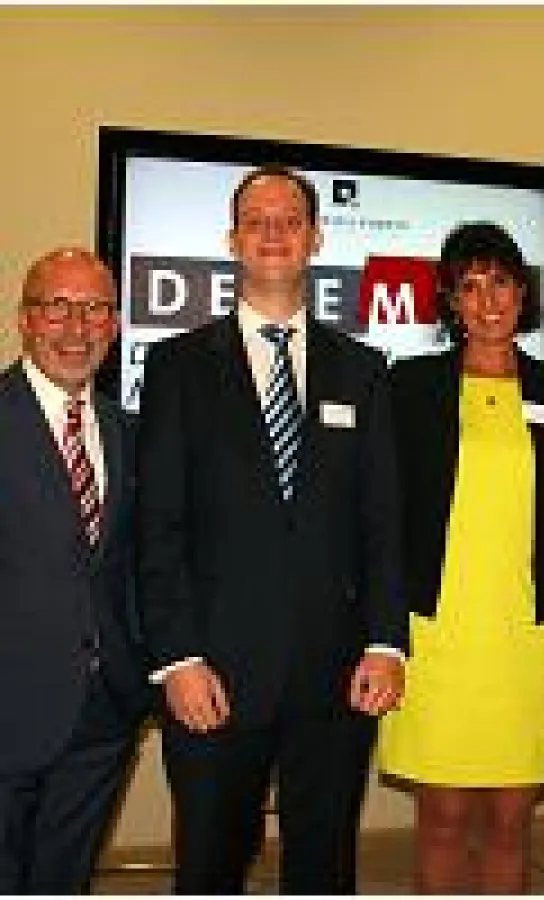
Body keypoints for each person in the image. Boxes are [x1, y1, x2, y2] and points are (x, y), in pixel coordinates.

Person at [135, 165, 408, 894]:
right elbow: (156, 528)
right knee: (210, 870)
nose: (274, 233)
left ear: (315, 238)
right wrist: (177, 659)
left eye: (290, 220)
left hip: (335, 677)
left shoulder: (363, 369)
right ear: (232, 240)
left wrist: (385, 643)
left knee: (324, 871)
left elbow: (383, 523)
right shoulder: (176, 368)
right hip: (213, 676)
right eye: (257, 220)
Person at [377, 221, 544, 894]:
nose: (487, 300)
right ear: (449, 301)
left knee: (509, 821)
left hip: (527, 639)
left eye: (499, 282)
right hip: (434, 637)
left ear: (522, 292)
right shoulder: (409, 385)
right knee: (442, 817)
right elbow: (383, 516)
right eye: (468, 286)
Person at [0, 248, 148, 891]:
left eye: (94, 310)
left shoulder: (127, 430)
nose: (76, 327)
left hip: (102, 713)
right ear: (26, 321)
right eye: (57, 307)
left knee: (63, 880)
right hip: (8, 705)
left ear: (114, 327)